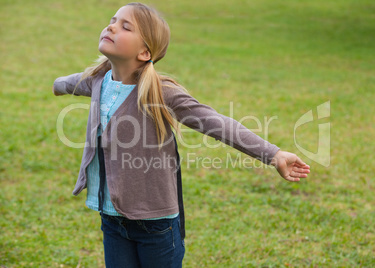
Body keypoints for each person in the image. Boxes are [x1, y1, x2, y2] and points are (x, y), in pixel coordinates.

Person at [53, 2, 310, 267]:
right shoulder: (98, 80)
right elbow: (72, 82)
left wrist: (273, 154)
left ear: (144, 52)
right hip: (111, 218)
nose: (111, 26)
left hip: (155, 225)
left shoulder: (159, 91)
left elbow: (216, 122)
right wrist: (57, 85)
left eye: (125, 26)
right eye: (113, 20)